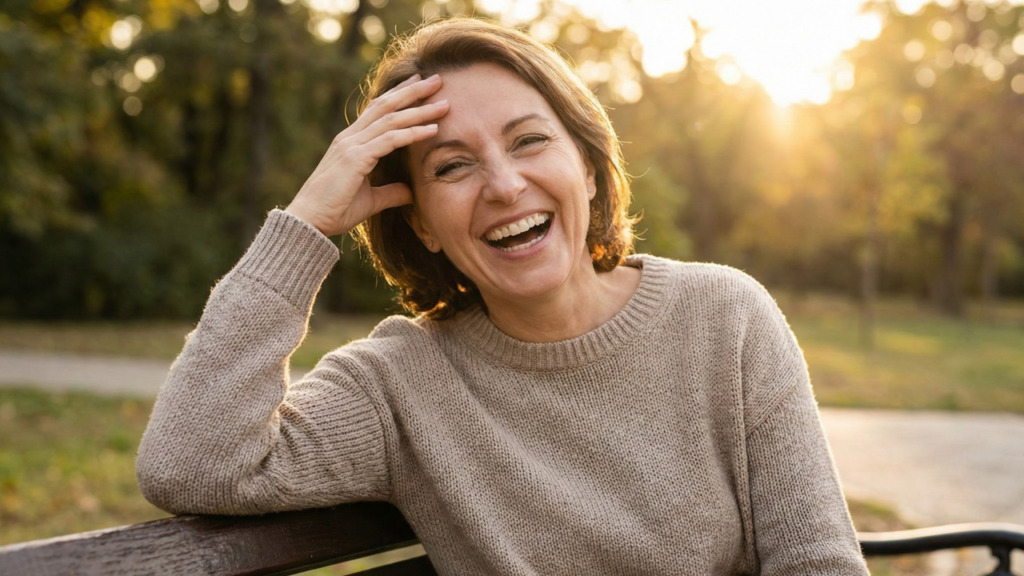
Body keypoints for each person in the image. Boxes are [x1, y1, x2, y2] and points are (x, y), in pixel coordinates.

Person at [136, 18, 870, 575]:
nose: (504, 185)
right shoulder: (398, 385)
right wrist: (305, 225)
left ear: (587, 166)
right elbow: (192, 463)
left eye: (528, 142)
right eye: (453, 166)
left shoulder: (726, 317)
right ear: (419, 221)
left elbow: (819, 563)